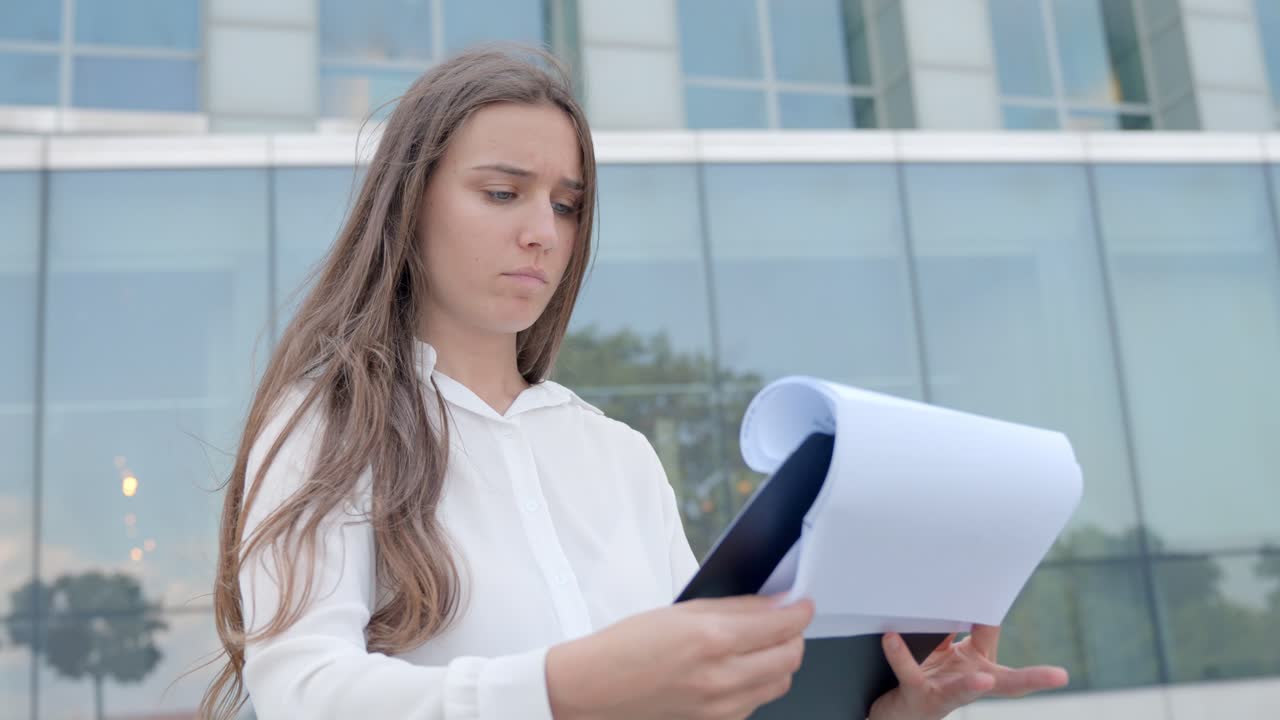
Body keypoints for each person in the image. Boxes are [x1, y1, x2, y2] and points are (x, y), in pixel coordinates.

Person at [200, 46, 1069, 720]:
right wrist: (560, 685)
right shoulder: (326, 422)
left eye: (567, 204)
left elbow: (711, 698)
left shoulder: (617, 456)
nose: (543, 230)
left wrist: (885, 709)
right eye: (503, 192)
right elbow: (303, 695)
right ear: (408, 203)